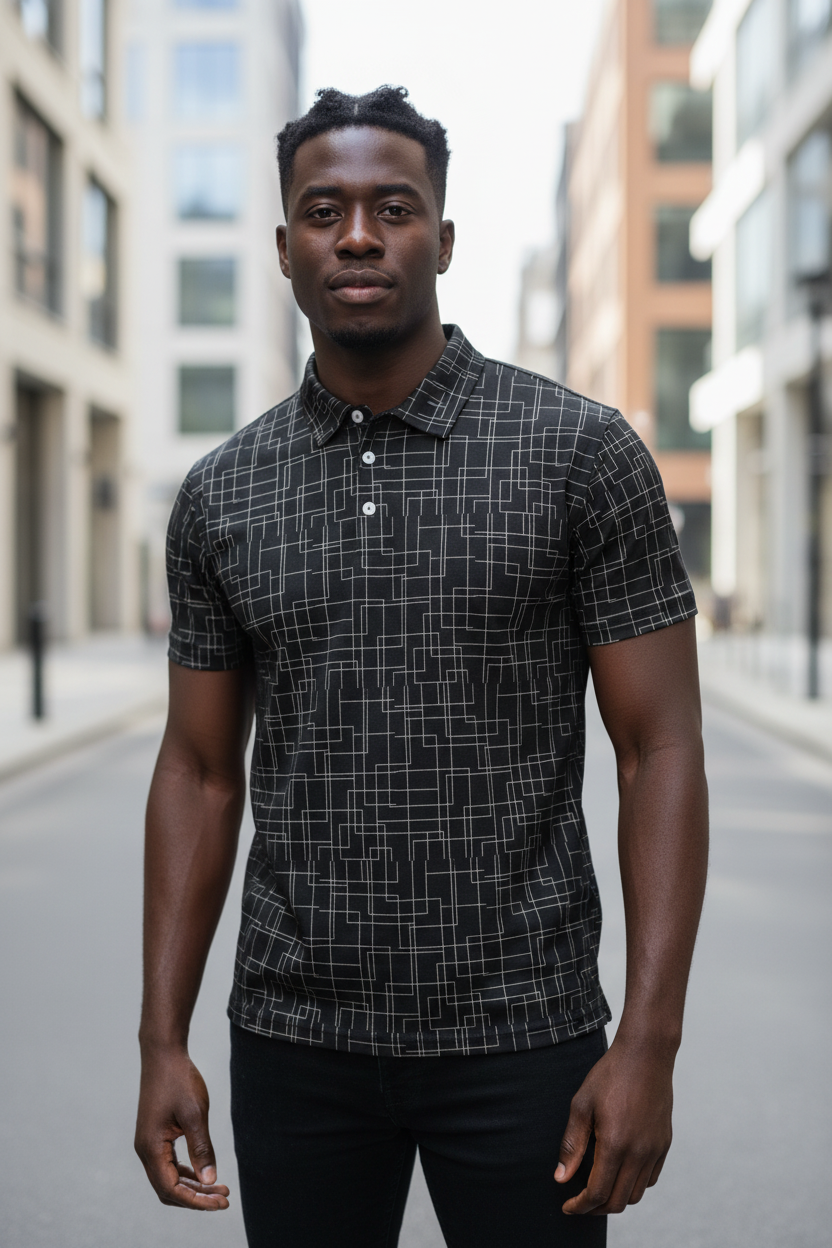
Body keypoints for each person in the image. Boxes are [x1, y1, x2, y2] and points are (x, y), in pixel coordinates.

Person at [134, 86, 709, 1248]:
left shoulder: (579, 456)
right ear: (285, 246)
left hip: (525, 1032)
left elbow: (660, 750)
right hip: (295, 1040)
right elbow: (197, 772)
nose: (357, 235)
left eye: (392, 208)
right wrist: (161, 1040)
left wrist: (646, 1042)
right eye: (323, 210)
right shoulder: (221, 496)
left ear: (442, 239)